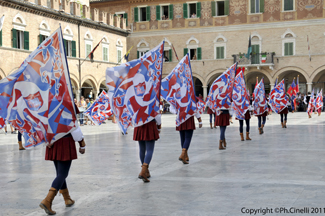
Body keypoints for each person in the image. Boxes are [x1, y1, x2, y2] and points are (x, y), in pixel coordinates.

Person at [39, 119, 86, 215]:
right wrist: (82, 143)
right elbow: (74, 127)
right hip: (65, 142)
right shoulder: (66, 107)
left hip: (52, 142)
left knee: (60, 173)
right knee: (62, 174)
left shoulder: (48, 107)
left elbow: (42, 124)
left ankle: (67, 199)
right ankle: (47, 200)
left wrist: (46, 139)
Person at [133, 114, 161, 183]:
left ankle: (145, 171)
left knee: (142, 149)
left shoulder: (136, 102)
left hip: (139, 123)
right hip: (150, 124)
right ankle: (143, 171)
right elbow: (157, 115)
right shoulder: (152, 102)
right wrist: (159, 126)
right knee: (150, 150)